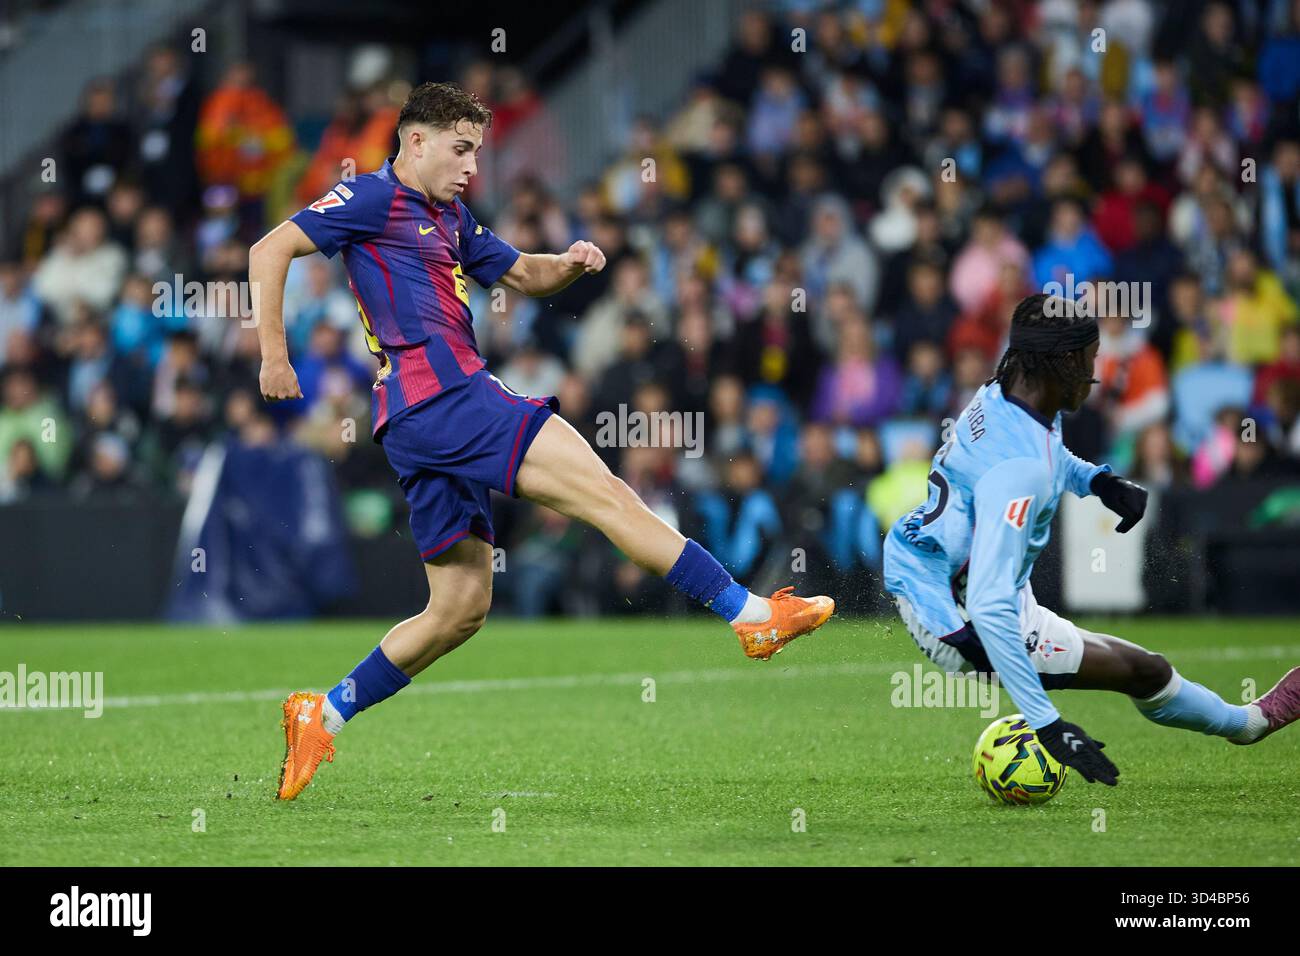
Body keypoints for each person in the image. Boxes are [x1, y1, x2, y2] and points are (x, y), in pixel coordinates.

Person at [249, 83, 835, 800]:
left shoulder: (453, 217)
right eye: (461, 150)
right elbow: (270, 248)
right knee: (609, 495)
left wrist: (572, 261)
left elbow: (523, 272)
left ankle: (323, 713)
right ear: (415, 142)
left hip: (415, 422)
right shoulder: (371, 199)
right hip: (447, 397)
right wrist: (274, 356)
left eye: (477, 152)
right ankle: (750, 616)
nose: (471, 167)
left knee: (458, 607)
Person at [883, 293, 1298, 789]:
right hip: (964, 622)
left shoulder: (1003, 393)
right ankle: (1247, 724)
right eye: (1089, 359)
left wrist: (1098, 482)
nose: (1094, 373)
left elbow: (1047, 454)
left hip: (921, 564)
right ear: (1059, 362)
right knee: (1145, 671)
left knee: (1139, 667)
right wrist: (1048, 724)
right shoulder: (1022, 472)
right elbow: (991, 606)